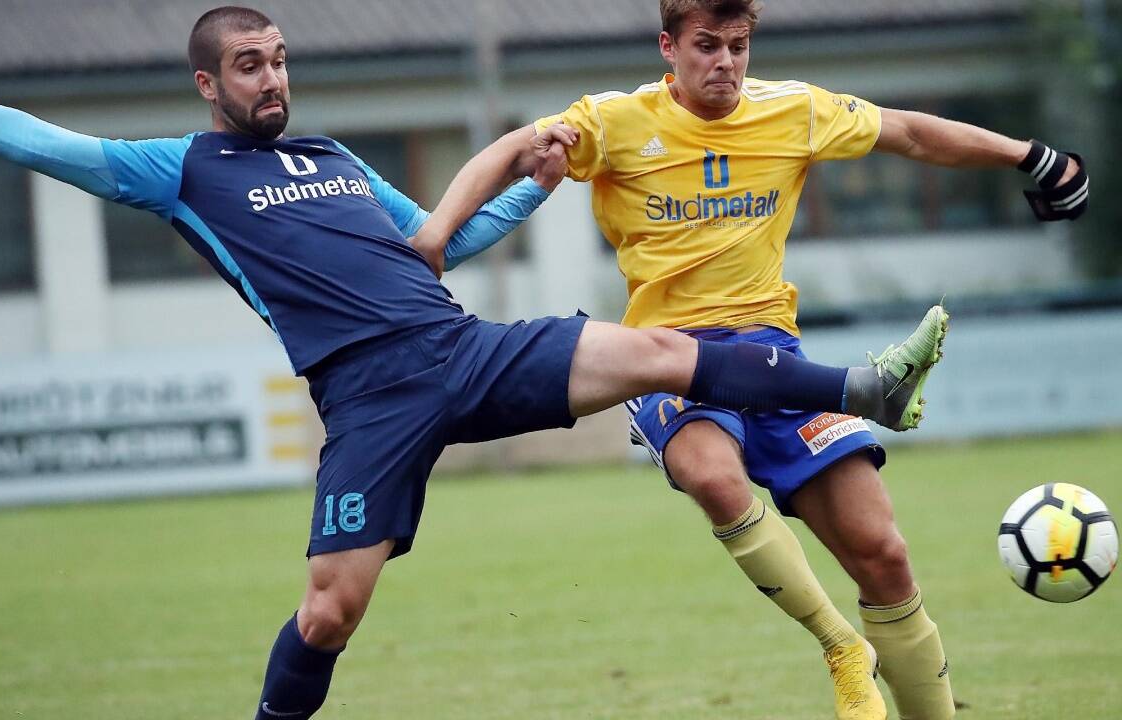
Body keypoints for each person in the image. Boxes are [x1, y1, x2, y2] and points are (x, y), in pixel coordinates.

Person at [0, 6, 951, 718]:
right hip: (369, 398)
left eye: (279, 60)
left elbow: (437, 242)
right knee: (330, 613)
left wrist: (534, 188)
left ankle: (862, 387)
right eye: (248, 66)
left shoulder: (331, 156)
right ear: (208, 85)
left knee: (666, 352)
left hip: (462, 349)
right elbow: (47, 146)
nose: (270, 79)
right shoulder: (177, 169)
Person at [413, 2, 1090, 720]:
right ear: (669, 46)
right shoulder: (614, 121)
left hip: (775, 358)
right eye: (707, 45)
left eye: (738, 46)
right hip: (667, 357)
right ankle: (841, 645)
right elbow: (509, 151)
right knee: (712, 474)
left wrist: (1032, 156)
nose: (725, 63)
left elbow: (910, 133)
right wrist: (435, 234)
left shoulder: (793, 110)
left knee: (884, 553)